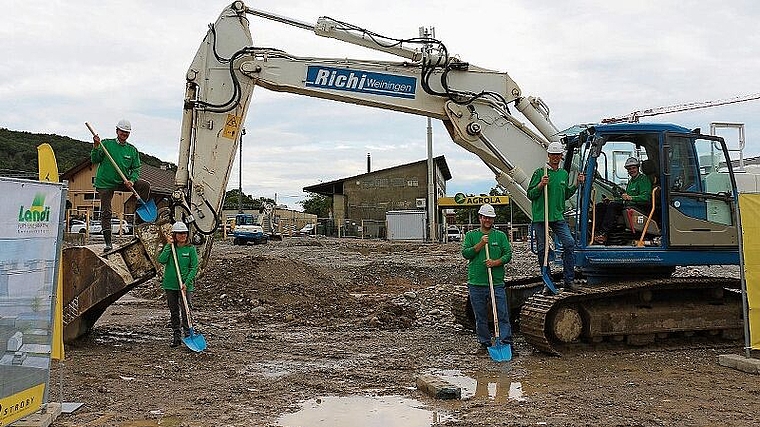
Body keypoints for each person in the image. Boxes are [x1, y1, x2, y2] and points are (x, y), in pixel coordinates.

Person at [527, 141, 584, 293]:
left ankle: (568, 281)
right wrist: (540, 185)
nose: (555, 157)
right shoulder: (540, 172)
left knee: (569, 243)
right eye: (552, 154)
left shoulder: (563, 174)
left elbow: (565, 195)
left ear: (561, 156)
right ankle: (547, 281)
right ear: (548, 155)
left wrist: (577, 184)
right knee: (542, 248)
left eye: (557, 155)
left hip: (557, 216)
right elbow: (530, 194)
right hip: (541, 217)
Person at [461, 203, 514, 356]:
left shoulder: (500, 236)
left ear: (493, 219)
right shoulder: (472, 236)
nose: (487, 220)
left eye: (490, 218)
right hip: (476, 283)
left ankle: (506, 342)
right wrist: (480, 244)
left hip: (496, 282)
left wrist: (495, 262)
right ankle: (484, 344)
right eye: (485, 217)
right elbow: (466, 254)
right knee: (481, 316)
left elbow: (507, 254)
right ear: (480, 218)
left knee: (502, 314)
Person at [91, 119, 151, 252]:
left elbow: (136, 169)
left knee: (144, 185)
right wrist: (96, 146)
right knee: (106, 211)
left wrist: (132, 180)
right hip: (105, 183)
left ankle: (140, 218)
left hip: (122, 181)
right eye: (122, 131)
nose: (124, 134)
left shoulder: (132, 150)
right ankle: (108, 243)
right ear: (117, 131)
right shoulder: (106, 144)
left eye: (127, 132)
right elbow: (95, 159)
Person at [157, 221, 200, 347]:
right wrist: (168, 246)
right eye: (180, 233)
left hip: (186, 286)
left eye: (185, 233)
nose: (183, 236)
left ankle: (188, 335)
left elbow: (194, 267)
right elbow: (161, 260)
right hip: (170, 285)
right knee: (174, 311)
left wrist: (186, 283)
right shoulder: (171, 248)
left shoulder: (190, 249)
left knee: (186, 311)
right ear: (175, 235)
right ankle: (176, 337)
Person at [593, 157, 653, 244]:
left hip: (639, 206)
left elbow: (646, 197)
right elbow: (625, 198)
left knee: (613, 206)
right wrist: (611, 200)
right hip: (629, 204)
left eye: (633, 168)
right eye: (629, 169)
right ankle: (597, 231)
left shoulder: (643, 179)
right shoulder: (631, 181)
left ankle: (605, 233)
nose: (631, 170)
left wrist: (631, 198)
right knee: (600, 206)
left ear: (638, 168)